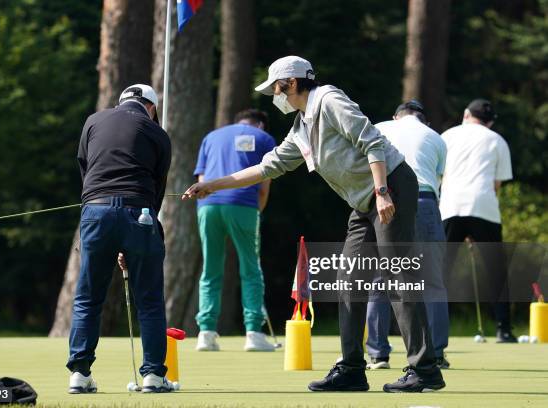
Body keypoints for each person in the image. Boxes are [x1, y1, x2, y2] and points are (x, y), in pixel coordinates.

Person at [183, 56, 445, 393]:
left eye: (276, 89)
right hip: (364, 201)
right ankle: (352, 369)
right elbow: (267, 167)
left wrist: (382, 192)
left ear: (291, 83)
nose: (274, 96)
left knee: (396, 275)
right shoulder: (301, 127)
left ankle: (424, 369)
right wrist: (212, 185)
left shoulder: (329, 100)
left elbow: (372, 141)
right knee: (349, 279)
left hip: (391, 185)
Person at [68, 84, 176, 393]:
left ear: (121, 102)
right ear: (151, 108)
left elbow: (85, 169)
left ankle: (79, 373)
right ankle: (154, 376)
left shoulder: (93, 120)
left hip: (95, 212)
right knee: (150, 300)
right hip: (138, 212)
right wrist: (136, 237)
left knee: (88, 297)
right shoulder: (157, 132)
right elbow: (157, 187)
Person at [365, 100, 450, 370]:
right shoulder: (435, 137)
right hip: (424, 201)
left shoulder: (379, 128)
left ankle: (378, 354)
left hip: (386, 200)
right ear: (423, 120)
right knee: (433, 282)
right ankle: (435, 353)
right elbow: (438, 180)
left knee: (381, 279)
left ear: (395, 116)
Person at [193, 109, 277, 352]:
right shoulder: (264, 139)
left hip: (207, 206)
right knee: (251, 268)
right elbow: (264, 185)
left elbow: (201, 178)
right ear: (260, 125)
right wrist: (257, 213)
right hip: (244, 205)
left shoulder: (212, 136)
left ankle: (206, 334)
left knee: (210, 269)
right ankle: (253, 333)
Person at [440, 99, 516, 343]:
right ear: (490, 121)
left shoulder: (448, 135)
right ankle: (504, 330)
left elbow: (438, 173)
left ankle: (433, 330)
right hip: (484, 207)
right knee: (496, 271)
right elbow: (496, 185)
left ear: (465, 114)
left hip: (450, 206)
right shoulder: (497, 140)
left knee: (441, 272)